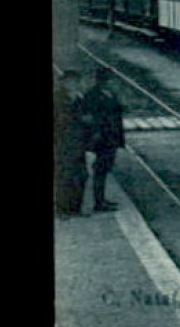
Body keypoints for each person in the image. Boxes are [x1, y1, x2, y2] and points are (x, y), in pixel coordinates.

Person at [81, 67, 126, 214]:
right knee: (100, 170)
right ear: (101, 80)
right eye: (108, 79)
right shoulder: (92, 95)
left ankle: (102, 200)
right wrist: (94, 136)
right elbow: (90, 118)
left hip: (111, 137)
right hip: (102, 139)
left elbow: (118, 112)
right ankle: (98, 202)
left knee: (105, 169)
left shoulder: (111, 94)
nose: (110, 82)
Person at [54, 69, 88, 218]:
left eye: (75, 81)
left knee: (81, 176)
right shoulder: (57, 99)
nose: (73, 84)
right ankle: (62, 209)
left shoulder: (79, 99)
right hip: (63, 144)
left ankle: (76, 207)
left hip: (79, 143)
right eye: (70, 82)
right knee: (64, 177)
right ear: (63, 83)